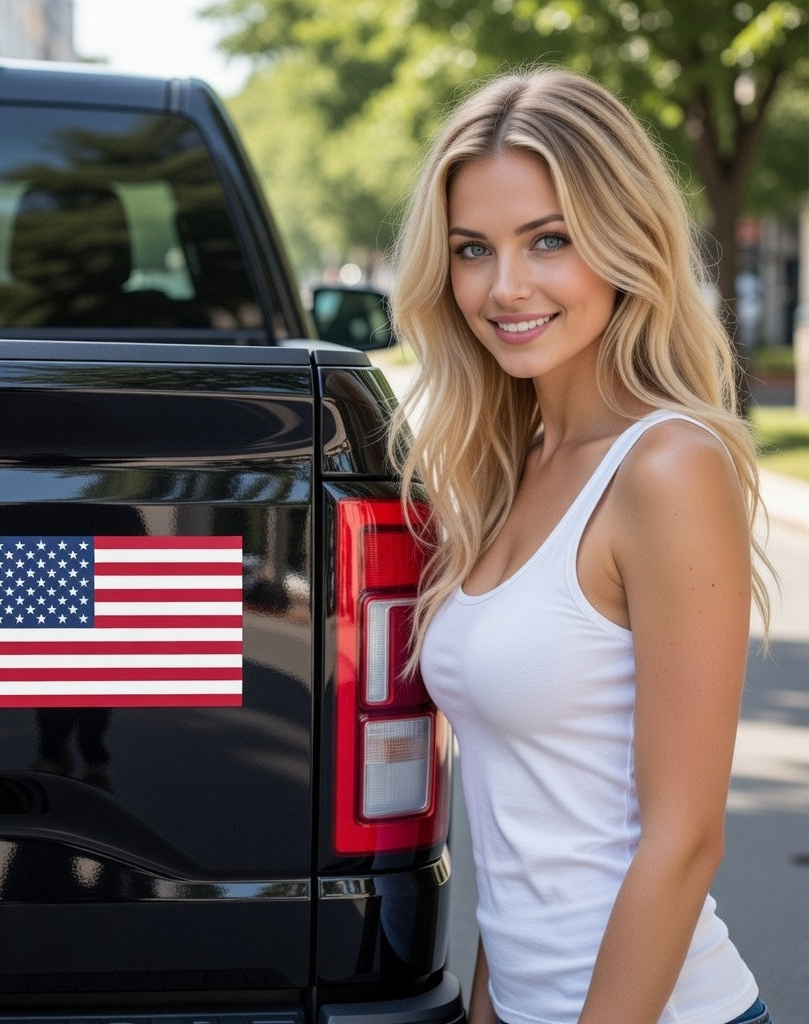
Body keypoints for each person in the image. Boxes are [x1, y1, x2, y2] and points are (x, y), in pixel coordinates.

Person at [387, 67, 774, 1024]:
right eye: (474, 249)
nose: (504, 286)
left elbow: (683, 841)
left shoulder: (667, 467)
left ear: (622, 243)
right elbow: (525, 828)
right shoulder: (504, 471)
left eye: (548, 240)